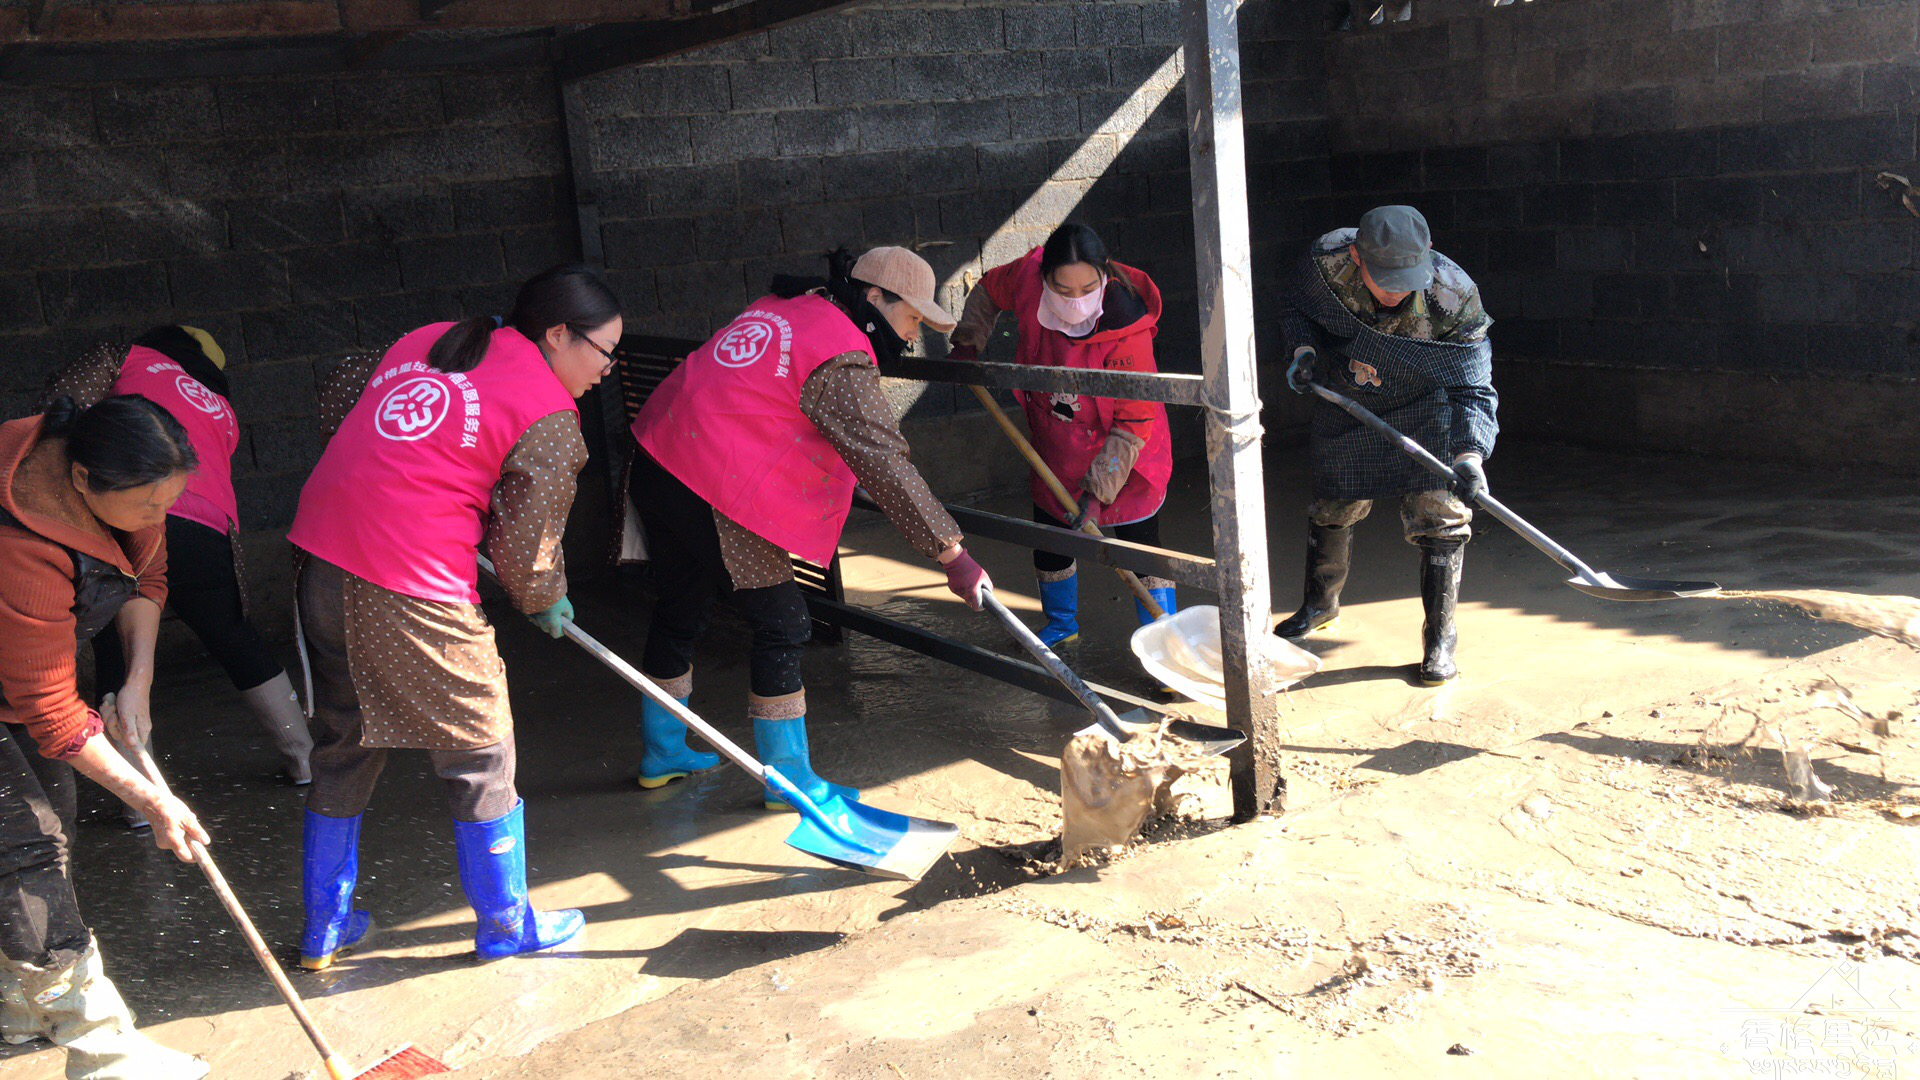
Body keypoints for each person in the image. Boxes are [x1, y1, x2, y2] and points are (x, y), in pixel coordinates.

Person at [286, 265, 619, 969]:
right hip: (408, 583)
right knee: (480, 753)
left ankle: (324, 928)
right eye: (604, 352)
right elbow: (528, 545)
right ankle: (507, 925)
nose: (607, 370)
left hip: (322, 562)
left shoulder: (431, 339)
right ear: (559, 334)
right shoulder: (549, 415)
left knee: (345, 741)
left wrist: (399, 471)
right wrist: (542, 595)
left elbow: (344, 395)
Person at [625, 246, 991, 807]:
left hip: (659, 454)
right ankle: (789, 779)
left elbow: (771, 401)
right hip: (711, 476)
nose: (913, 336)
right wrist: (952, 555)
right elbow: (884, 460)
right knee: (784, 623)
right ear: (875, 297)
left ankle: (663, 751)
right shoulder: (840, 354)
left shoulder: (790, 305)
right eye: (912, 317)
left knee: (682, 604)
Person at [0, 395, 211, 1079]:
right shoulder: (21, 539)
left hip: (13, 684)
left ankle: (18, 1006)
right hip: (19, 684)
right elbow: (53, 713)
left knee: (51, 829)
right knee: (24, 849)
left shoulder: (131, 496)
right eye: (149, 503)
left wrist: (137, 680)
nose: (160, 514)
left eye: (169, 501)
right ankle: (101, 1049)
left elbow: (148, 576)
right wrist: (151, 799)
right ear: (83, 478)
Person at [40, 326, 312, 790]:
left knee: (115, 649)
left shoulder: (124, 355)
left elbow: (57, 409)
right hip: (208, 527)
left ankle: (138, 798)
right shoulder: (221, 406)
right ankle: (304, 758)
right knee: (234, 637)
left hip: (125, 509)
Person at [1274, 205, 1497, 685]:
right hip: (1352, 393)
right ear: (1357, 256)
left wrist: (1470, 455)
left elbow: (1474, 387)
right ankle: (1319, 605)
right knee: (1333, 503)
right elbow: (1295, 308)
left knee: (1441, 512)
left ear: (1428, 252)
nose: (1396, 291)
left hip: (1426, 402)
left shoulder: (1455, 295)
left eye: (1407, 279)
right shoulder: (1325, 263)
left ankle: (1440, 637)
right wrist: (1303, 351)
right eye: (1385, 280)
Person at [947, 222, 1175, 647]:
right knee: (1051, 538)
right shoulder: (1025, 278)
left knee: (1140, 548)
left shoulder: (1129, 327)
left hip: (1125, 454)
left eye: (1088, 288)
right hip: (1056, 444)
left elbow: (1133, 422)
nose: (1075, 300)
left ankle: (1164, 639)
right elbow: (988, 291)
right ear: (1044, 278)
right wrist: (968, 342)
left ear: (1105, 275)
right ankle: (1061, 623)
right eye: (1062, 289)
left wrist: (1098, 490)